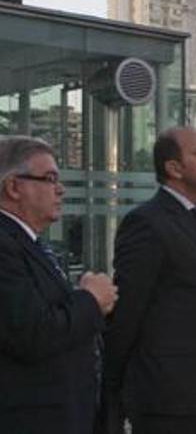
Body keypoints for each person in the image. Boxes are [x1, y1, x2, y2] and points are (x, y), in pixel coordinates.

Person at [101, 127, 196, 434]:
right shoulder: (147, 223)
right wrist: (112, 390)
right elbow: (128, 311)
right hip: (165, 397)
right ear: (173, 168)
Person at [0, 136, 117, 434]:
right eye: (50, 178)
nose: (61, 189)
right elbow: (33, 332)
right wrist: (91, 299)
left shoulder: (31, 243)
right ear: (13, 187)